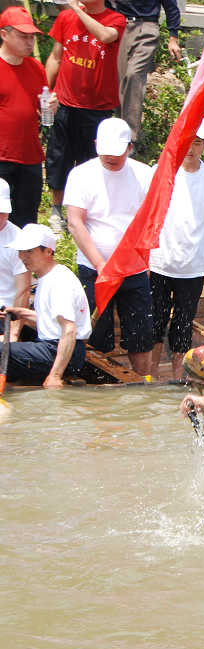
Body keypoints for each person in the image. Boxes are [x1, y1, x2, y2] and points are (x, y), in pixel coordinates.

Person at [64, 117, 154, 375]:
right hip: (96, 270)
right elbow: (75, 223)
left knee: (140, 335)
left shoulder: (143, 175)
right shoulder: (81, 175)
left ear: (129, 147)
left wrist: (145, 260)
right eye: (105, 152)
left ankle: (143, 384)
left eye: (116, 153)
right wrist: (101, 264)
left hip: (133, 269)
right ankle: (100, 391)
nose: (110, 158)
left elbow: (150, 222)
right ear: (95, 145)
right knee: (97, 335)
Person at [147, 118, 204, 380]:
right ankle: (149, 374)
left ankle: (177, 376)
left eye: (197, 143)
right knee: (156, 321)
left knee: (183, 325)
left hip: (193, 264)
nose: (191, 149)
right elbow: (146, 212)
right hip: (160, 260)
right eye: (188, 143)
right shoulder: (162, 171)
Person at [44, 0, 125, 232]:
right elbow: (56, 57)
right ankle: (56, 210)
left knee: (92, 160)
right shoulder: (65, 19)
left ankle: (90, 212)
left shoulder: (115, 20)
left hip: (97, 108)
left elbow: (106, 36)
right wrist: (46, 90)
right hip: (65, 103)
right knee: (59, 157)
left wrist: (76, 9)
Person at [2, 223, 91, 387]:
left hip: (62, 352)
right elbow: (51, 320)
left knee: (2, 351)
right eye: (21, 251)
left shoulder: (59, 281)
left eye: (29, 251)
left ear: (48, 251)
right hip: (51, 347)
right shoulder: (47, 277)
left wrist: (55, 375)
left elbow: (69, 330)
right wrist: (20, 313)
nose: (23, 257)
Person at [0, 7, 47, 230]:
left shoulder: (36, 68)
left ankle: (24, 264)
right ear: (4, 34)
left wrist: (51, 107)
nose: (29, 43)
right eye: (23, 36)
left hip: (29, 156)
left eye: (32, 37)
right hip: (2, 156)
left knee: (26, 221)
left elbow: (40, 108)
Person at [107, 0, 181, 139]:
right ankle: (118, 133)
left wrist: (173, 38)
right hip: (120, 25)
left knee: (134, 75)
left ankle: (130, 136)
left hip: (146, 27)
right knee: (119, 80)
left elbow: (171, 6)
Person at [0, 179, 30, 340]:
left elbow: (23, 289)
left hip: (4, 313)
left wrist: (14, 332)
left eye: (2, 213)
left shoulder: (17, 239)